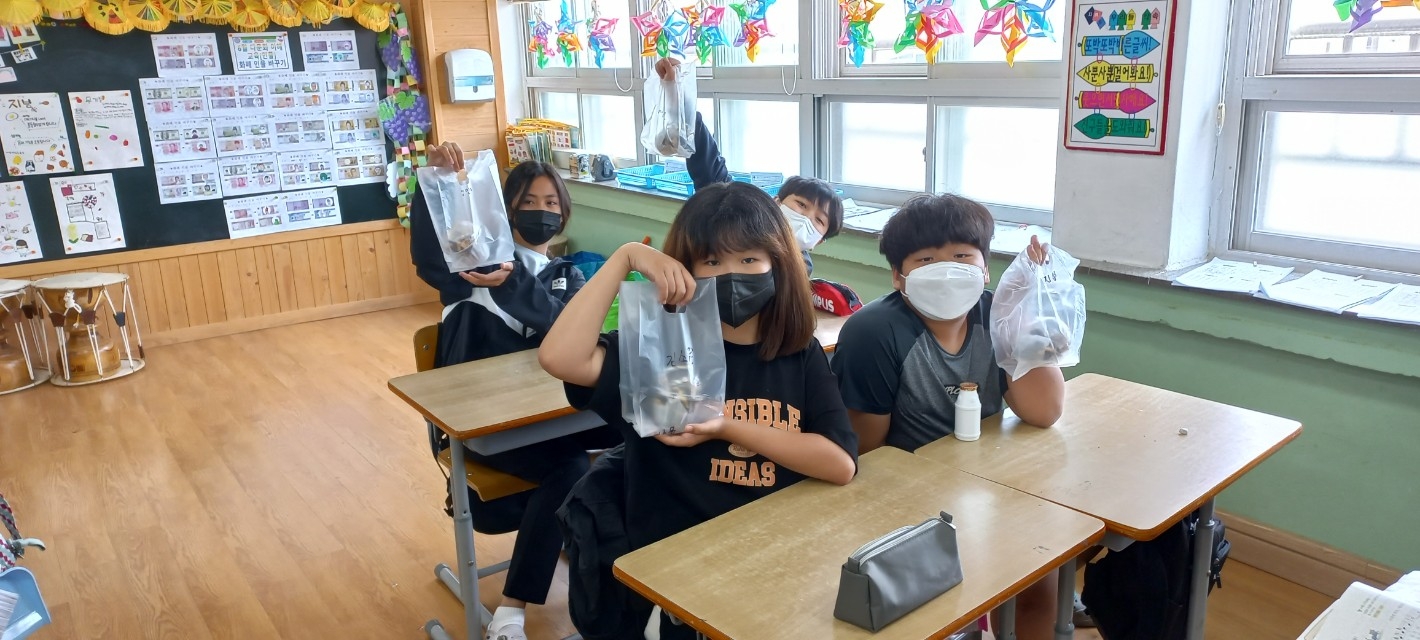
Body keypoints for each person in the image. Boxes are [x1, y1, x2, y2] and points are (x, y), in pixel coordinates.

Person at [539, 181, 859, 640]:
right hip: (681, 575)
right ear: (684, 268)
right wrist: (626, 258)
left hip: (776, 557)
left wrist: (726, 425)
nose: (731, 274)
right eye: (711, 261)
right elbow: (560, 358)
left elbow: (839, 464)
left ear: (778, 263)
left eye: (749, 259)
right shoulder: (661, 350)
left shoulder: (798, 352)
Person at [829, 192, 1067, 639]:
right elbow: (867, 451)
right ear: (898, 277)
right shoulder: (873, 333)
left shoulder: (999, 316)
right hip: (905, 503)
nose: (945, 269)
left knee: (1039, 577)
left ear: (985, 267)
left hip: (992, 486)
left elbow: (1044, 411)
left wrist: (1027, 320)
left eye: (961, 256)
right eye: (925, 260)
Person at [408, 141, 620, 640]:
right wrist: (433, 184)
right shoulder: (474, 268)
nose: (541, 212)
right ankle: (511, 612)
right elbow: (429, 255)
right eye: (528, 202)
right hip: (489, 432)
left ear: (563, 214)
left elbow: (565, 331)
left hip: (557, 424)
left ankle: (625, 587)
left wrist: (518, 283)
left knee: (631, 445)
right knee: (571, 469)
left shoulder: (569, 276)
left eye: (551, 203)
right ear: (506, 209)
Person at [654, 58, 845, 274]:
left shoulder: (799, 270)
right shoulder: (745, 217)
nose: (805, 219)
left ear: (819, 241)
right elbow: (711, 172)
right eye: (801, 205)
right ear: (776, 202)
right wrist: (678, 97)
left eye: (819, 220)